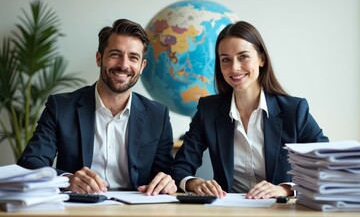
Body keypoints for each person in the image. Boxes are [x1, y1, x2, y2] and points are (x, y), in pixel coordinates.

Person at [170, 21, 329, 199]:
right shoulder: (208, 110)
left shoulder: (294, 110)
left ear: (261, 59)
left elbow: (325, 165)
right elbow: (180, 167)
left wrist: (286, 189)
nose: (234, 68)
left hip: (278, 210)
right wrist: (194, 182)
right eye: (225, 60)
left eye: (243, 56)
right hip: (228, 210)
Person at [17, 18, 177, 195]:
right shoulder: (61, 107)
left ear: (142, 66)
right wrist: (67, 179)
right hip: (78, 207)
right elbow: (30, 162)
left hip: (136, 209)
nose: (124, 65)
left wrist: (167, 181)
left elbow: (165, 174)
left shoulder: (157, 115)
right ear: (99, 58)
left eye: (133, 57)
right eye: (115, 54)